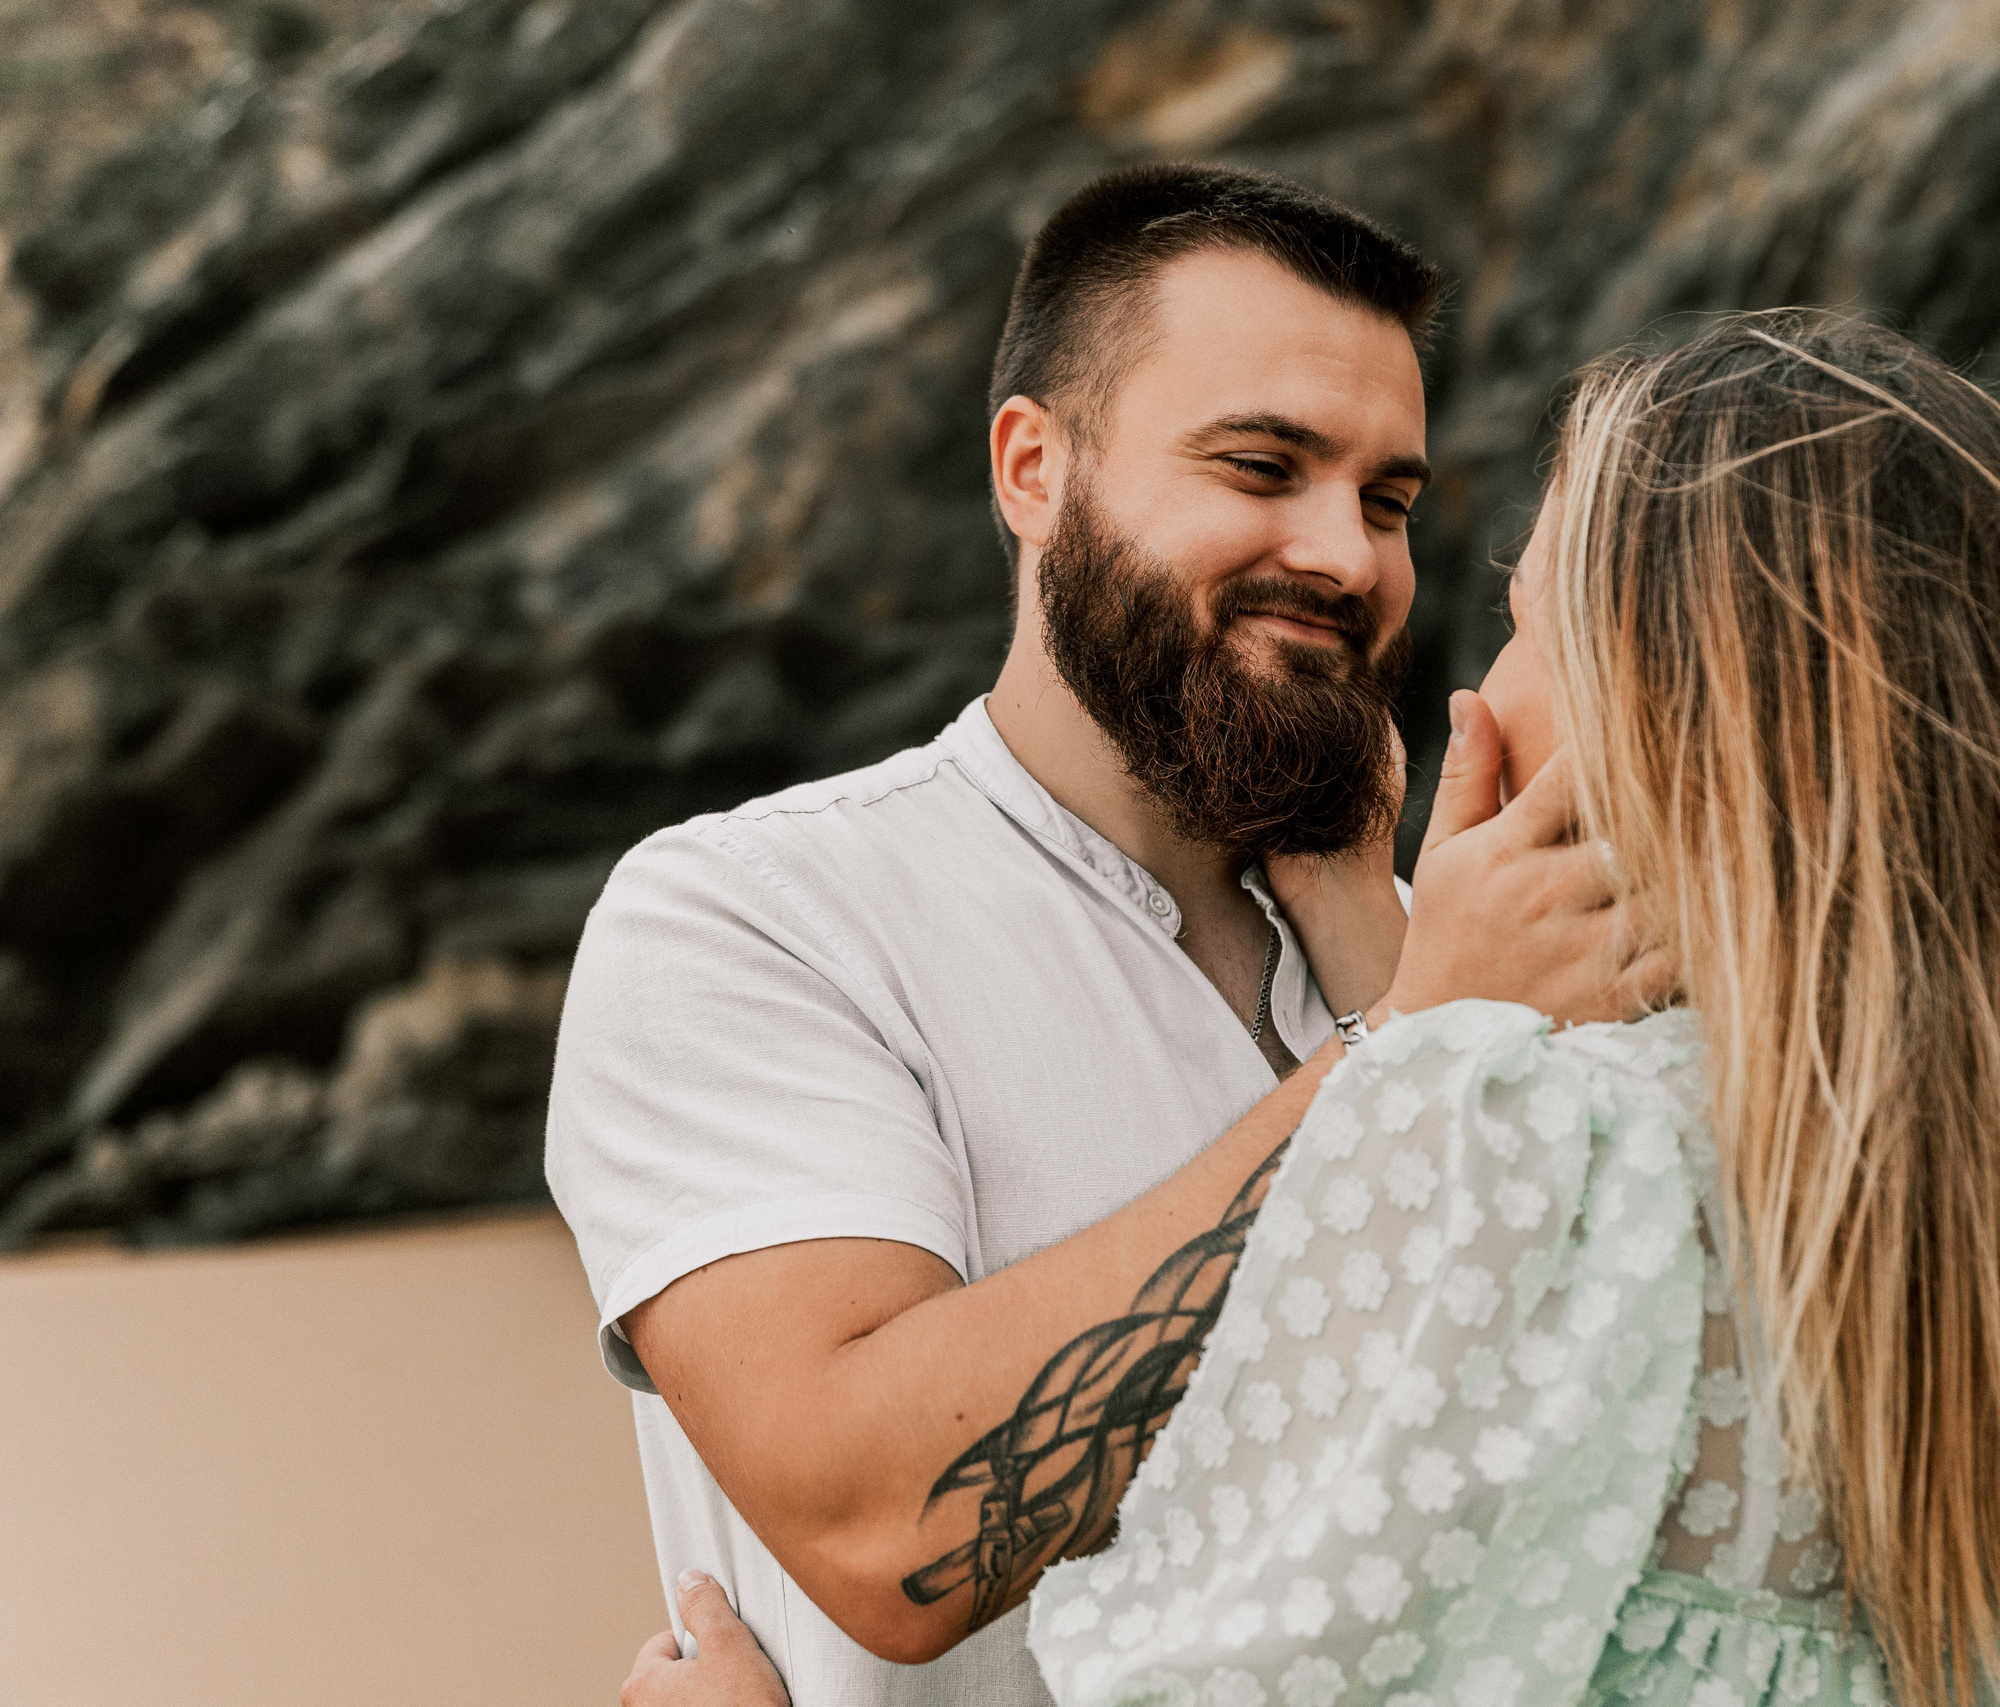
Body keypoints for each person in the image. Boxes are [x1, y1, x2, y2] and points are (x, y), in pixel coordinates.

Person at [632, 310, 2000, 1707]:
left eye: (1529, 621)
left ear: (1678, 691)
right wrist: (1403, 971)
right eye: (1261, 467)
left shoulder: (1531, 1119)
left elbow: (1244, 1675)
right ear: (1031, 467)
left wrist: (1430, 1049)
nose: (1469, 679)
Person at [551, 161, 1646, 1707]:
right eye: (1263, 465)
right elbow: (890, 1533)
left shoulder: (1419, 952)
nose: (1347, 554)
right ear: (1032, 468)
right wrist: (1418, 1052)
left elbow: (1589, 1499)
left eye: (1388, 498)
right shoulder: (757, 919)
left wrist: (1386, 963)